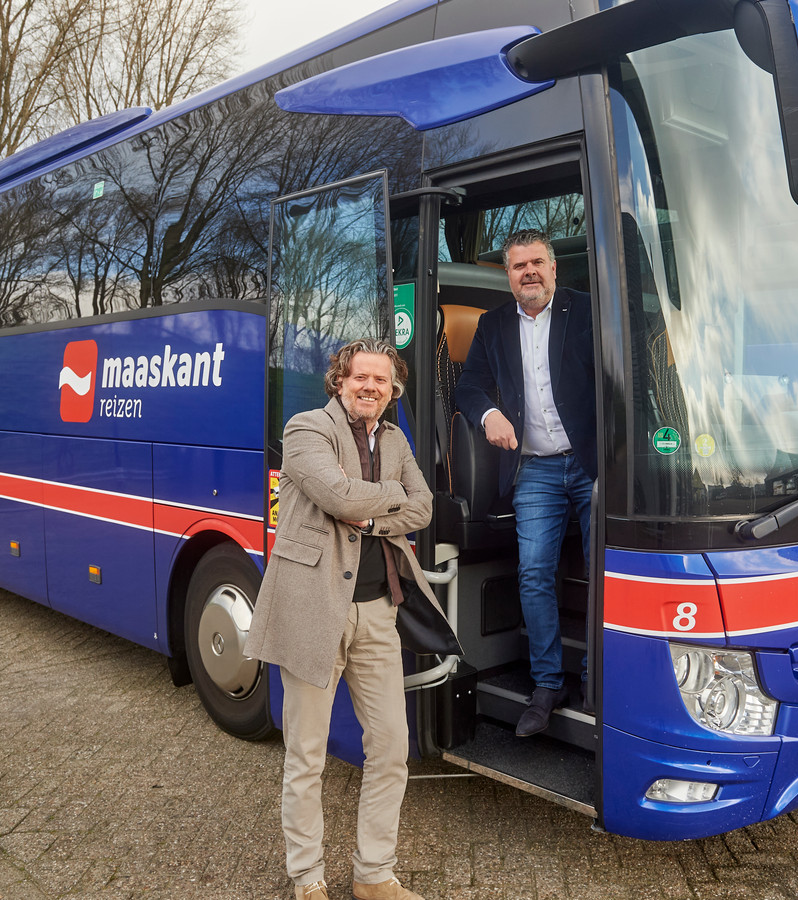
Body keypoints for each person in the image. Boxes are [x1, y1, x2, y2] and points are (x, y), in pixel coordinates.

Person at [243, 338, 445, 900]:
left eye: (381, 382)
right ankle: (308, 878)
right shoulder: (306, 428)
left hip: (380, 614)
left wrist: (372, 513)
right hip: (314, 610)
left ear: (392, 390)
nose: (370, 388)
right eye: (361, 378)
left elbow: (423, 507)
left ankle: (373, 874)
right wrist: (388, 500)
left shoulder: (396, 437)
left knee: (390, 747)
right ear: (340, 380)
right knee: (306, 753)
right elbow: (338, 497)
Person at [455, 228, 598, 736]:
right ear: (509, 276)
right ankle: (547, 684)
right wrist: (489, 412)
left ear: (554, 269)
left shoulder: (586, 311)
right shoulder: (492, 326)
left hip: (591, 464)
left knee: (607, 568)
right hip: (532, 467)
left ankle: (595, 680)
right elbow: (467, 387)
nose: (529, 272)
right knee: (534, 573)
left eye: (538, 263)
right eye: (519, 266)